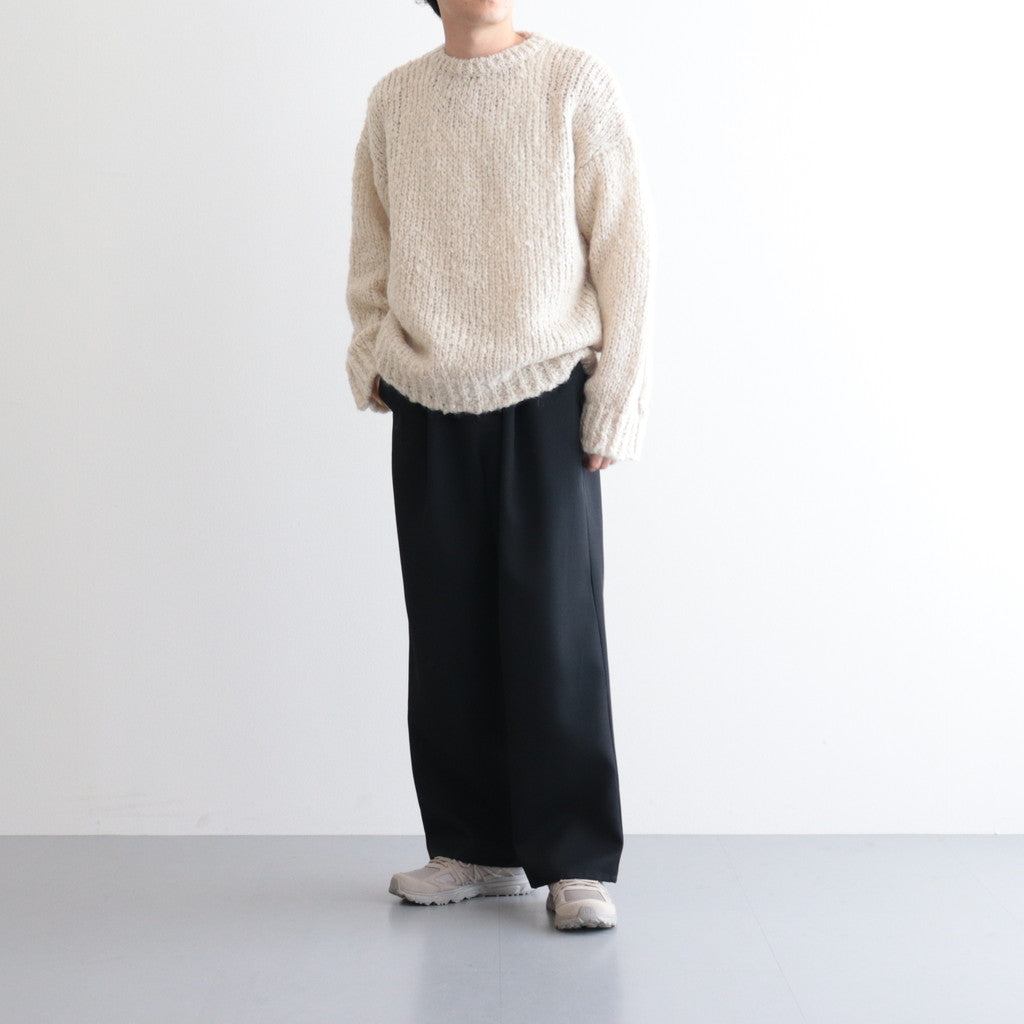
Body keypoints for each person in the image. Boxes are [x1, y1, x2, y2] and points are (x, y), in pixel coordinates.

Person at [345, 0, 655, 931]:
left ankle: (576, 862)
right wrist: (374, 353)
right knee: (447, 630)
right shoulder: (396, 99)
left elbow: (626, 248)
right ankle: (474, 848)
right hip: (427, 392)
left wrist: (616, 396)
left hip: (547, 390)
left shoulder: (573, 83)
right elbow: (371, 247)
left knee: (555, 630)